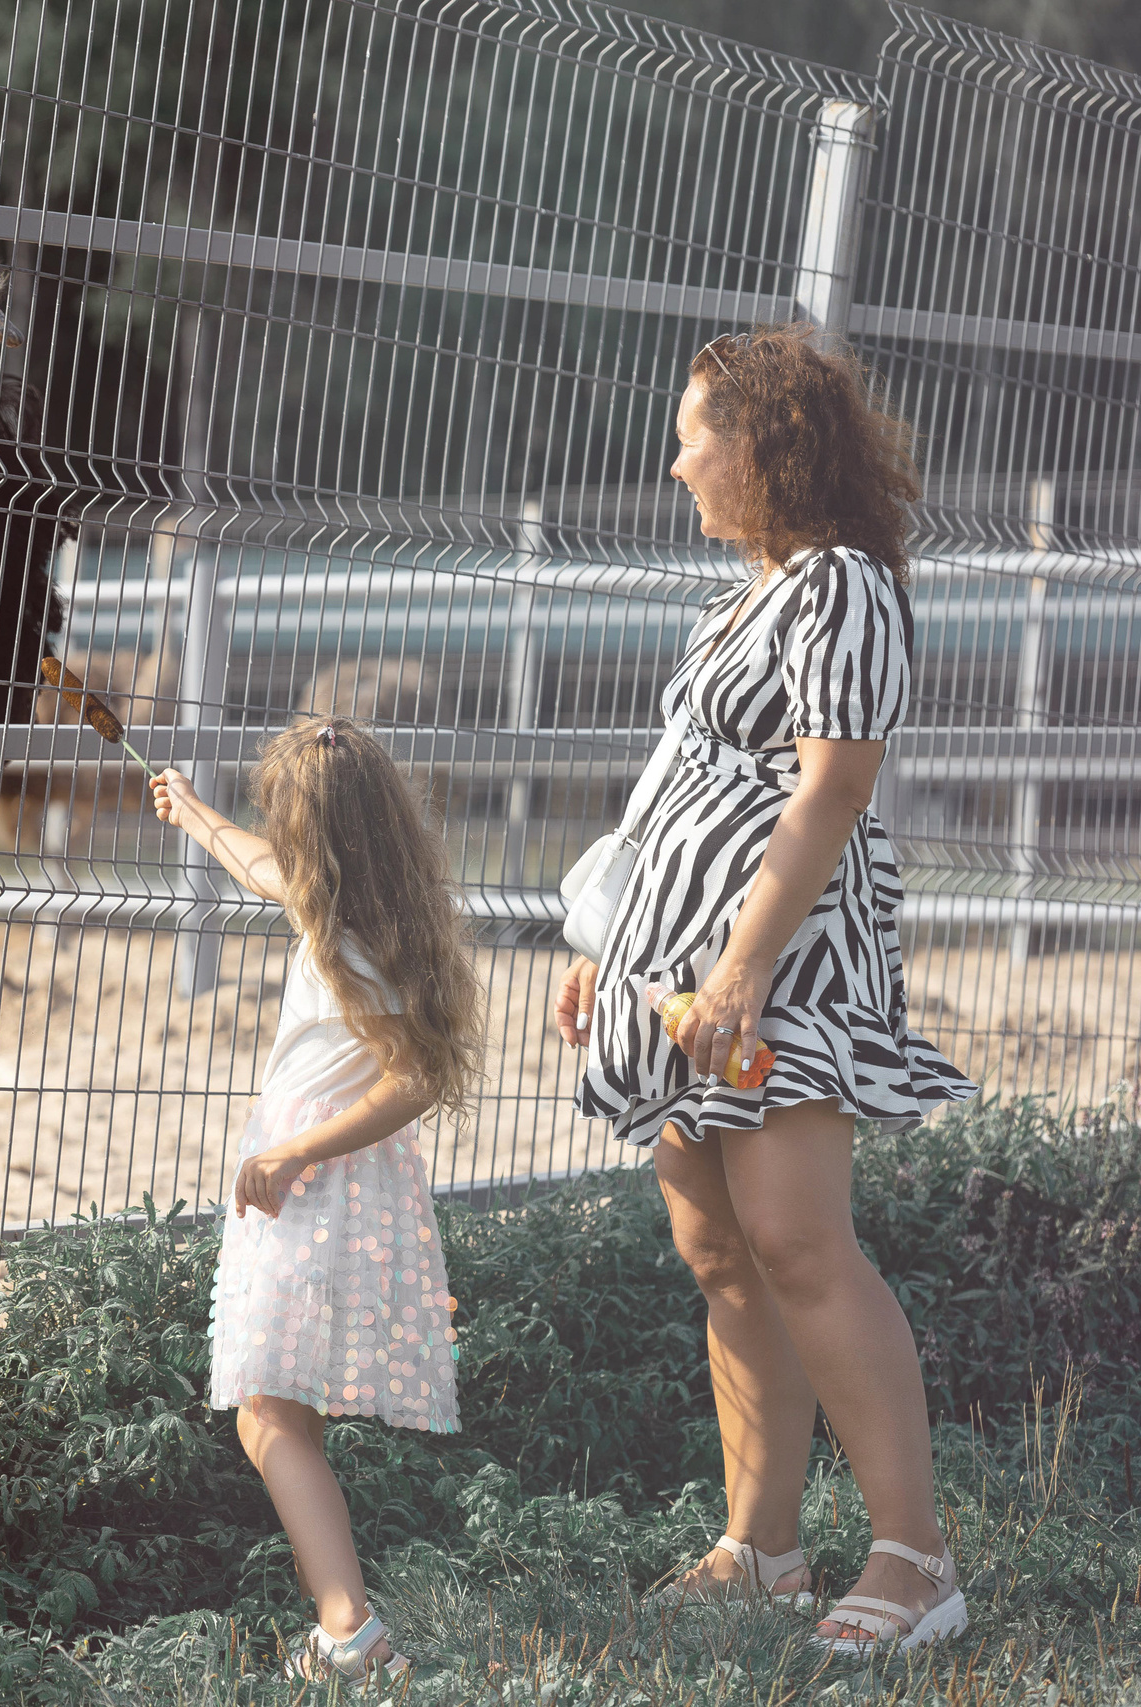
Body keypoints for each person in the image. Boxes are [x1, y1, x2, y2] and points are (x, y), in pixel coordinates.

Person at [556, 326, 977, 1655]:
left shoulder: (842, 584)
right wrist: (608, 938)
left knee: (797, 1238)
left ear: (766, 443)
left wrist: (740, 961)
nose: (677, 459)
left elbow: (834, 786)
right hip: (682, 971)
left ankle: (915, 1559)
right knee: (719, 1249)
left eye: (696, 432)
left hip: (779, 969)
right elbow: (671, 792)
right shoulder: (734, 602)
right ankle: (763, 1547)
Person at [153, 720, 483, 1682]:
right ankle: (342, 1626)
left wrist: (295, 1150)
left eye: (280, 821)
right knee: (284, 1413)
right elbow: (259, 867)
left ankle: (349, 1629)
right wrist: (195, 813)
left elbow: (415, 1078)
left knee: (267, 1416)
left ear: (316, 837)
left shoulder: (350, 942)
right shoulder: (359, 913)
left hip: (315, 1194)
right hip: (331, 1191)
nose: (274, 838)